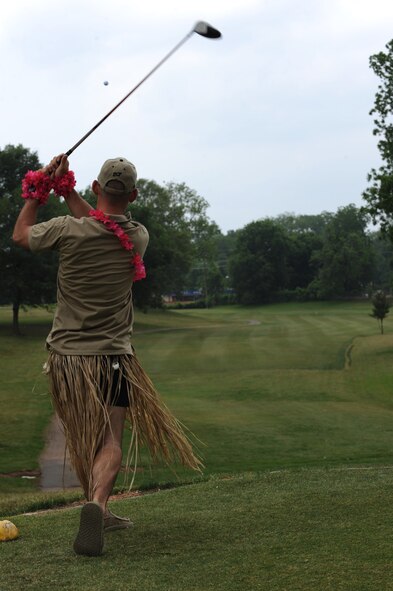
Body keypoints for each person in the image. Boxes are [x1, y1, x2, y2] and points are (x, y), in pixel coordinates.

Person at [12, 154, 202, 557]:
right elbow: (105, 223)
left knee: (85, 438)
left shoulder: (67, 230)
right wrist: (65, 190)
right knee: (111, 439)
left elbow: (22, 236)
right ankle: (98, 504)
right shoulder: (136, 237)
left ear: (96, 187)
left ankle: (97, 509)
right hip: (113, 358)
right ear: (133, 195)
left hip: (67, 358)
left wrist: (39, 190)